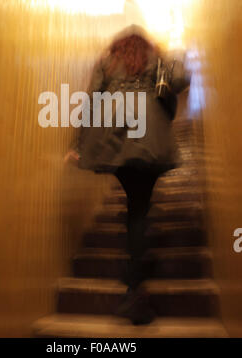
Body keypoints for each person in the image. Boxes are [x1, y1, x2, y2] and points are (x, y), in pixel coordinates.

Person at [65, 25, 190, 324]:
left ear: (118, 45)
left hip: (115, 139)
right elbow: (178, 82)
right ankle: (135, 288)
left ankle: (133, 282)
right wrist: (172, 51)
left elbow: (92, 100)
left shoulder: (108, 62)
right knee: (139, 207)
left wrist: (78, 144)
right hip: (150, 140)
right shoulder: (156, 58)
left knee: (135, 205)